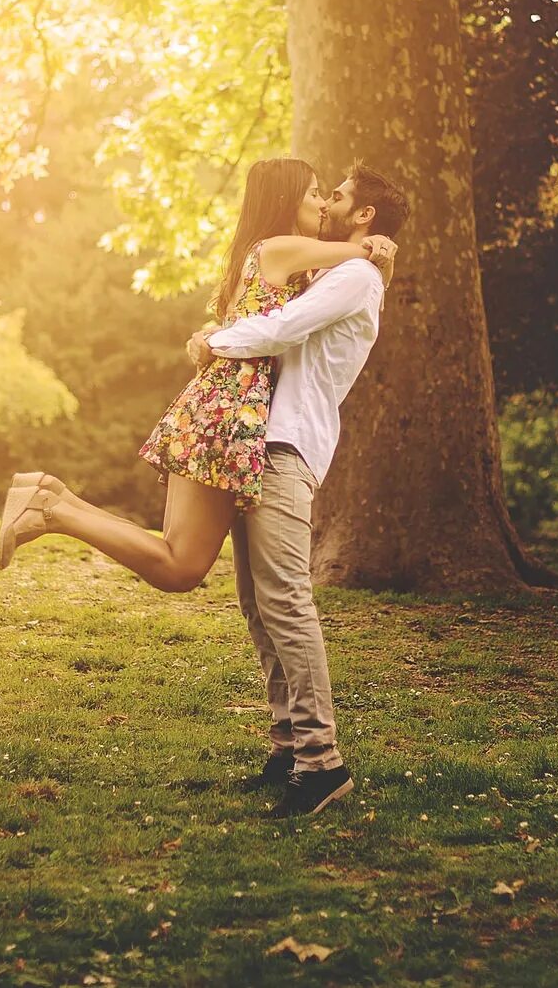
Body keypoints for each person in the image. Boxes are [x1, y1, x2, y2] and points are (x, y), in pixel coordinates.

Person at [0, 156, 394, 598]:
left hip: (224, 404)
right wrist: (379, 253)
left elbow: (323, 294)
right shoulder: (282, 247)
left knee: (177, 558)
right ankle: (52, 511)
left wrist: (211, 336)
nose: (321, 205)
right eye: (315, 194)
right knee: (180, 567)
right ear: (285, 199)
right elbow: (359, 257)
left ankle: (52, 497)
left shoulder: (276, 254)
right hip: (229, 408)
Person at [187, 162, 408, 818]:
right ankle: (286, 747)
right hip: (263, 442)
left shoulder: (357, 276)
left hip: (286, 446)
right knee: (257, 600)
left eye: (337, 195)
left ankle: (322, 762)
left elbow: (282, 330)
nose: (327, 201)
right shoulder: (346, 271)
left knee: (285, 599)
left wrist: (212, 341)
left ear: (364, 215)